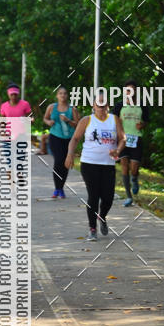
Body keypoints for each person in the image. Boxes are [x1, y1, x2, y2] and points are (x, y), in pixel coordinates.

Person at [65, 91, 126, 240]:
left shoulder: (114, 119)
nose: (101, 108)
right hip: (89, 163)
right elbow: (75, 139)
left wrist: (118, 150)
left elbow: (123, 138)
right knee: (93, 196)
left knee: (108, 197)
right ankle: (92, 229)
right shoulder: (86, 120)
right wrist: (70, 154)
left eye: (104, 105)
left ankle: (102, 216)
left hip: (108, 164)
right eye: (98, 104)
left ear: (108, 106)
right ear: (93, 105)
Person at [113, 80, 149, 206]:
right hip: (122, 139)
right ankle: (128, 196)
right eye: (128, 90)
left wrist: (142, 125)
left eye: (132, 90)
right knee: (124, 166)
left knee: (134, 169)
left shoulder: (142, 105)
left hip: (136, 139)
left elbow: (146, 121)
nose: (130, 92)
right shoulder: (119, 105)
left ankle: (134, 178)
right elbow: (113, 120)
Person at [43, 87, 80, 197]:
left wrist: (68, 120)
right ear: (57, 96)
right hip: (55, 137)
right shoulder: (51, 107)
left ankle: (61, 188)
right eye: (60, 93)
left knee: (65, 163)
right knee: (58, 161)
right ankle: (57, 188)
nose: (62, 95)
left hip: (68, 139)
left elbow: (78, 125)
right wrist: (49, 122)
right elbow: (45, 118)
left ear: (67, 95)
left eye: (64, 93)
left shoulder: (72, 109)